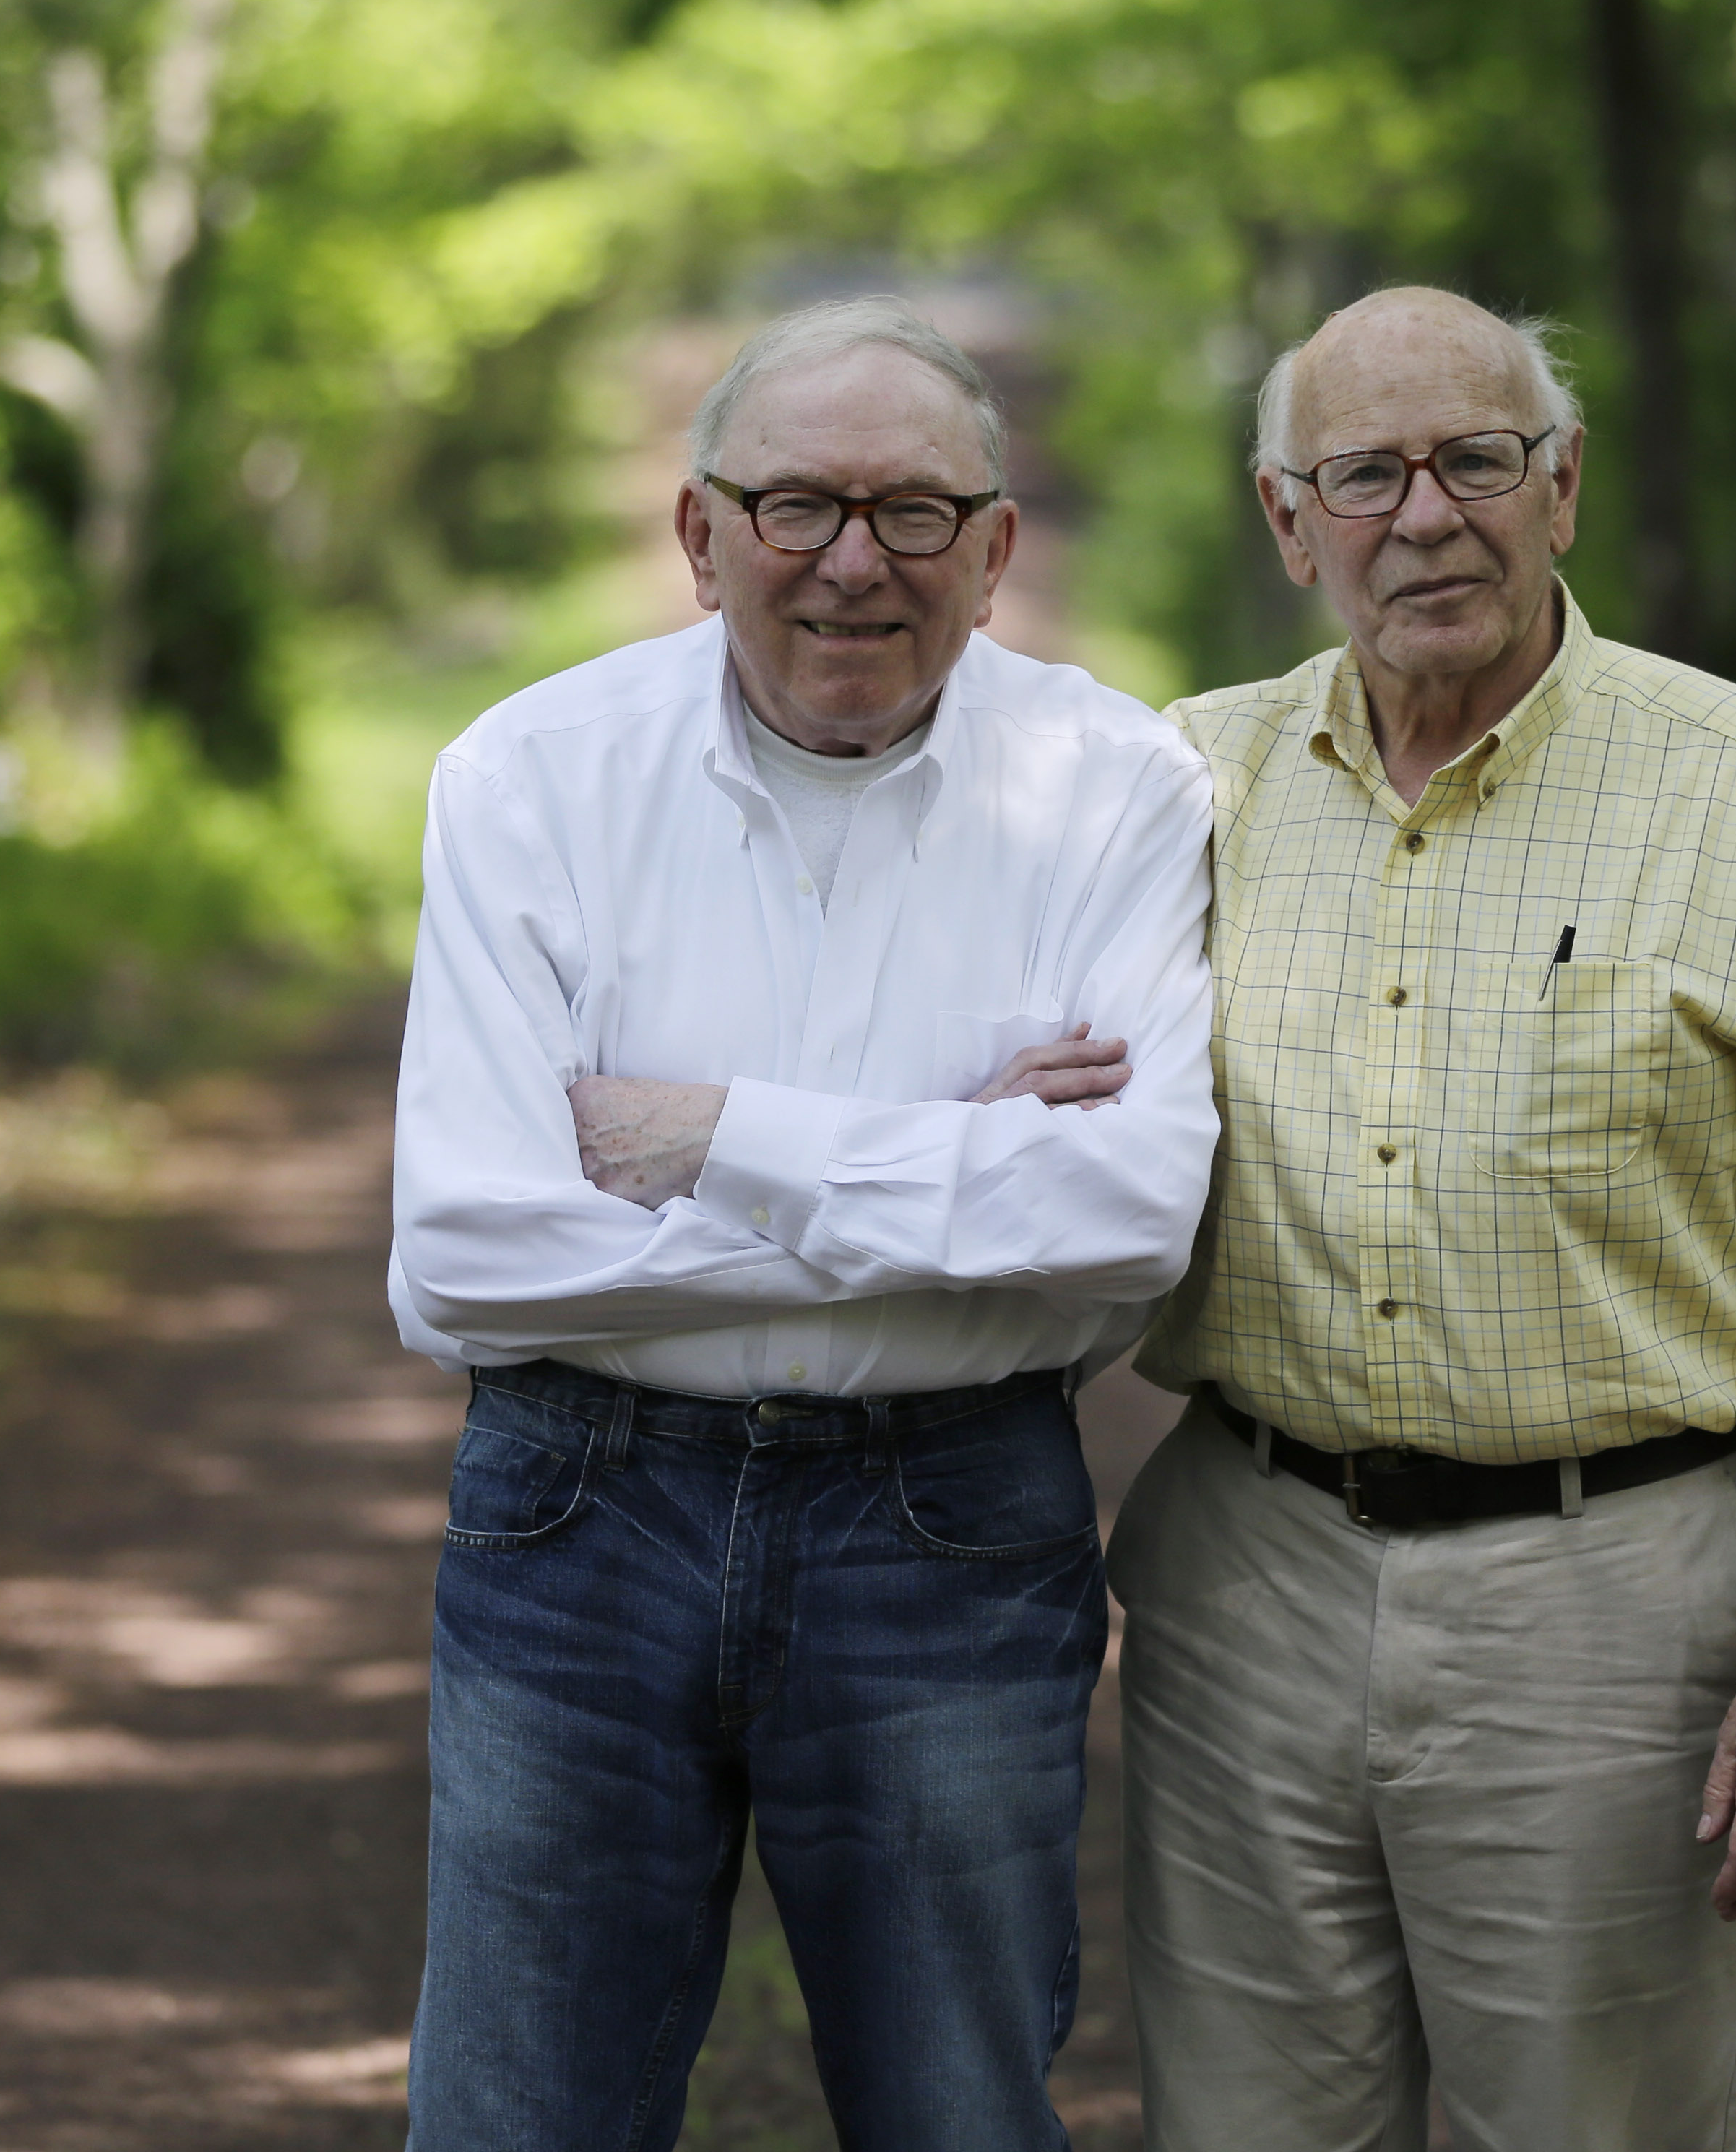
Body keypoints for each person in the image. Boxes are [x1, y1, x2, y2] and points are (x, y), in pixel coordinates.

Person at [1113, 285, 1736, 2151]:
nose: (1427, 516)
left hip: (1615, 1607)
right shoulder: (1181, 789)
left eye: (1478, 461)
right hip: (1245, 1593)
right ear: (1290, 522)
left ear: (1563, 486)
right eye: (1366, 474)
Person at [387, 296, 1217, 2151]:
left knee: (958, 2117)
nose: (857, 562)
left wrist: (709, 1137)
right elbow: (462, 1252)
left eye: (917, 513)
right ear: (700, 537)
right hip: (577, 1515)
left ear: (997, 553)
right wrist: (945, 1167)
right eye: (797, 508)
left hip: (949, 1519)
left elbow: (1133, 1213)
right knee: (518, 2121)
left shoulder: (1119, 787)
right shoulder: (527, 778)